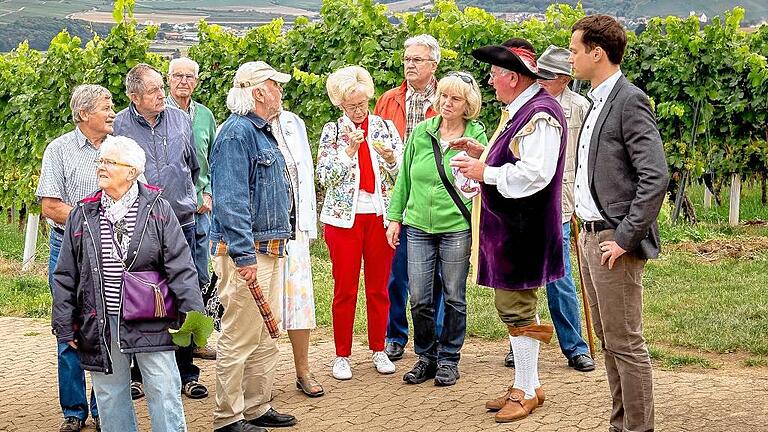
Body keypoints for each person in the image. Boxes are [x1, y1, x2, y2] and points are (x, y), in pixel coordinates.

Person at [51, 136, 204, 432]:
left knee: (163, 389)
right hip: (100, 317)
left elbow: (181, 266)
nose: (101, 167)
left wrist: (192, 317)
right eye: (100, 161)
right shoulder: (83, 213)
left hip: (153, 317)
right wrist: (64, 323)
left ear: (132, 171)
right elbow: (66, 273)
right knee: (110, 394)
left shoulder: (158, 209)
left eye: (110, 162)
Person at [450, 39, 566, 423]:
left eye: (496, 73)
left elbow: (536, 173)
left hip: (523, 230)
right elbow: (517, 157)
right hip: (512, 230)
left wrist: (486, 171)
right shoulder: (522, 109)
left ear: (513, 78)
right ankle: (527, 385)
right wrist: (482, 152)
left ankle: (526, 389)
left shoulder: (539, 113)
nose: (490, 78)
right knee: (513, 308)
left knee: (516, 308)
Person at [570, 15, 669, 432]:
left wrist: (625, 238)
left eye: (575, 50)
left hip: (613, 240)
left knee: (626, 344)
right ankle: (620, 424)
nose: (570, 57)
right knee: (610, 343)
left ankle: (639, 428)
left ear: (598, 53)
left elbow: (656, 176)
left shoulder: (630, 100)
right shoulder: (594, 99)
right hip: (590, 237)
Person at [209, 61, 297, 432]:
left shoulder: (261, 131)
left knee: (264, 333)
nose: (280, 92)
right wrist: (244, 256)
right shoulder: (236, 135)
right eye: (276, 86)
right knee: (240, 335)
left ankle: (257, 407)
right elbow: (230, 202)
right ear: (259, 91)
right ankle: (228, 418)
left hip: (270, 246)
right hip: (248, 252)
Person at [112, 63, 208, 400]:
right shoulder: (120, 125)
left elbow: (193, 166)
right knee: (141, 295)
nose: (162, 95)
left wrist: (188, 197)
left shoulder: (181, 119)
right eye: (154, 91)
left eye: (160, 89)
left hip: (182, 221)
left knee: (185, 293)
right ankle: (138, 375)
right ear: (134, 96)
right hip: (140, 225)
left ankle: (187, 372)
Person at [386, 72, 487, 387]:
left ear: (467, 105)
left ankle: (449, 360)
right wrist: (394, 217)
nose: (447, 103)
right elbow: (404, 177)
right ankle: (426, 357)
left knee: (454, 296)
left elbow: (488, 176)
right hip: (417, 226)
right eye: (444, 96)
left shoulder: (477, 137)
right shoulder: (421, 133)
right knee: (419, 297)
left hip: (455, 226)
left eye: (455, 98)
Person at [501, 45, 595, 372]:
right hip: (523, 206)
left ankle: (574, 347)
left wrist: (582, 201)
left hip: (560, 204)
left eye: (550, 76)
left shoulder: (580, 107)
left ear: (565, 79)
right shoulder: (522, 104)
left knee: (561, 278)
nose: (541, 80)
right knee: (524, 282)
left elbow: (586, 158)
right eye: (539, 74)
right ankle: (521, 345)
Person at [317, 65, 403, 380]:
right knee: (345, 289)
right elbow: (324, 176)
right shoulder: (332, 131)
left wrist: (392, 160)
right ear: (340, 104)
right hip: (343, 221)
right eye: (351, 105)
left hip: (380, 218)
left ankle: (379, 348)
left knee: (380, 288)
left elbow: (402, 174)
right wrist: (348, 154)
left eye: (362, 103)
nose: (357, 110)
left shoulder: (385, 127)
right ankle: (342, 355)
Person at [36, 84, 112, 432]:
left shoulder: (119, 148)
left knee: (106, 327)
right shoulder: (60, 150)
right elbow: (50, 205)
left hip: (112, 251)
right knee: (68, 328)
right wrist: (91, 223)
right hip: (67, 250)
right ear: (83, 114)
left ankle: (104, 410)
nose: (113, 113)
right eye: (106, 107)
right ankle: (74, 412)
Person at [374, 34, 443, 361]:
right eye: (407, 59)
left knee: (438, 277)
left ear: (434, 64)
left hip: (434, 196)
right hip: (396, 197)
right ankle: (395, 335)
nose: (410, 64)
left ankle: (437, 338)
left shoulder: (447, 98)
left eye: (417, 59)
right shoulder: (388, 100)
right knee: (395, 273)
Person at [166, 57, 220, 360]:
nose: (183, 81)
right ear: (168, 79)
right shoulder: (161, 114)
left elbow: (210, 160)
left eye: (189, 77)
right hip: (169, 211)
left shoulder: (205, 116)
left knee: (200, 275)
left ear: (196, 82)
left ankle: (197, 339)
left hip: (200, 211)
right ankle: (169, 340)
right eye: (178, 76)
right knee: (168, 276)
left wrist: (208, 193)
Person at [271, 108, 324, 397]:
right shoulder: (239, 128)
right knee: (263, 306)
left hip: (296, 229)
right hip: (262, 233)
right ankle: (260, 378)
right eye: (274, 86)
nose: (280, 93)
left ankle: (303, 370)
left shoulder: (293, 122)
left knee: (300, 303)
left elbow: (306, 172)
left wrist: (309, 225)